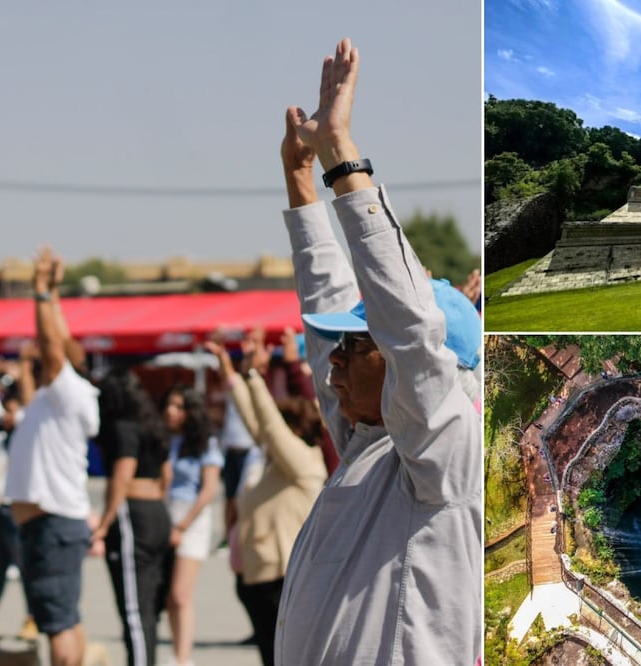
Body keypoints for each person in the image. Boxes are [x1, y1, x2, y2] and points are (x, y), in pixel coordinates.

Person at [273, 38, 482, 664]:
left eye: (357, 345)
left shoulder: (439, 458)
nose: (334, 359)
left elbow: (411, 330)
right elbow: (323, 315)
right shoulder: (370, 440)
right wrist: (299, 182)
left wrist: (342, 157)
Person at [4, 247, 100, 666]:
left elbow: (53, 345)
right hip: (48, 526)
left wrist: (41, 295)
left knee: (59, 625)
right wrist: (55, 294)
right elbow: (55, 343)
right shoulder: (50, 397)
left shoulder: (70, 393)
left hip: (51, 525)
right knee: (64, 619)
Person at [205, 338, 328, 666]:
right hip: (258, 578)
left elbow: (270, 428)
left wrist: (257, 378)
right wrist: (233, 375)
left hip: (281, 580)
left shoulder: (304, 463)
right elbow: (259, 424)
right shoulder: (279, 462)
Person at [91, 369, 172, 666]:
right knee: (146, 608)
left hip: (133, 515)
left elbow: (122, 475)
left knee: (133, 610)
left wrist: (104, 522)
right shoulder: (151, 424)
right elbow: (167, 475)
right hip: (157, 513)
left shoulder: (122, 427)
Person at [161, 385, 223, 666]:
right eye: (169, 405)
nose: (170, 412)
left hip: (192, 519)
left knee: (180, 593)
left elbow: (208, 491)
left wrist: (182, 526)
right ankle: (178, 652)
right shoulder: (169, 440)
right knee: (169, 598)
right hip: (168, 513)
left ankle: (183, 659)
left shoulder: (205, 443)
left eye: (177, 406)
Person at [0, 340, 38, 642]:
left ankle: (30, 618)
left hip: (9, 504)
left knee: (20, 564)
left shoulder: (25, 426)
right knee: (4, 566)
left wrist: (24, 368)